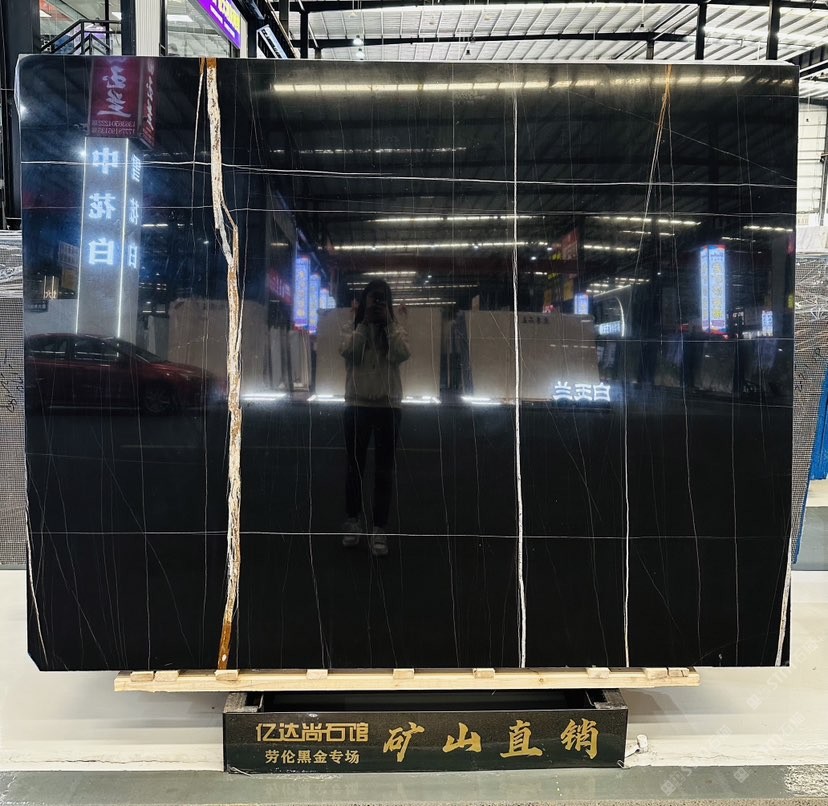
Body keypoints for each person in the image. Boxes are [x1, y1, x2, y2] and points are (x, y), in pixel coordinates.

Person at [339, 279, 410, 556]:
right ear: (364, 301)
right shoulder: (352, 327)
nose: (377, 303)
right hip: (356, 404)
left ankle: (379, 528)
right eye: (373, 298)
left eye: (382, 299)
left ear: (388, 303)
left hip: (388, 406)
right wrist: (365, 324)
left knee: (383, 470)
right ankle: (353, 521)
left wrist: (387, 325)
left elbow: (401, 354)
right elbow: (350, 353)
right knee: (354, 467)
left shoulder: (397, 328)